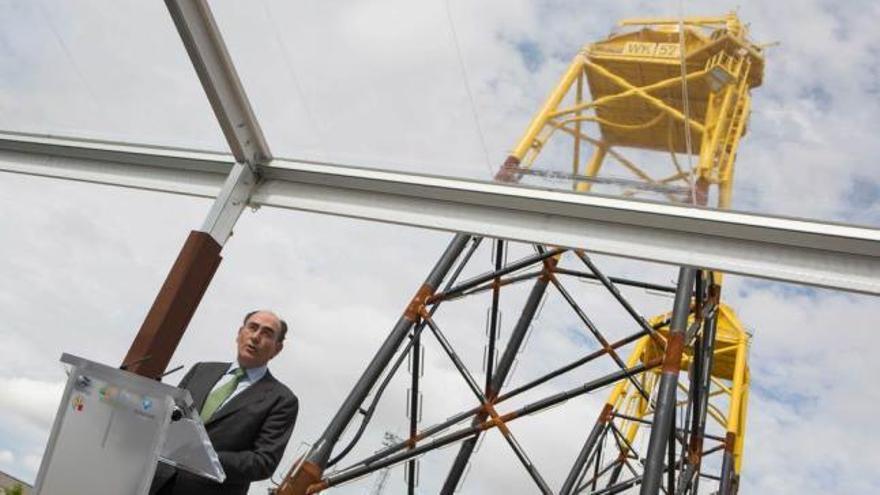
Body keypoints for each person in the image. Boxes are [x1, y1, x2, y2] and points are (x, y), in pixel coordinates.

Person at [151, 310, 299, 495]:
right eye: (252, 327)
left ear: (277, 348)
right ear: (239, 334)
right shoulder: (201, 370)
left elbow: (263, 462)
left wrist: (206, 457)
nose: (255, 337)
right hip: (156, 484)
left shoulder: (281, 399)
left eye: (267, 333)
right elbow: (167, 418)